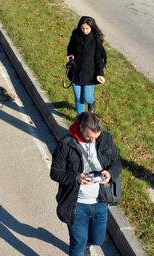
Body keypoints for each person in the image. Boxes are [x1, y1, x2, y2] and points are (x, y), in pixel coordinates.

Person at [50, 112, 122, 256]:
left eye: (95, 138)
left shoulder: (105, 138)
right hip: (77, 204)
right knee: (77, 244)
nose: (92, 140)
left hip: (100, 201)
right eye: (89, 137)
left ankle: (87, 245)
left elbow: (116, 163)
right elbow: (55, 173)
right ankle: (81, 246)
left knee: (98, 239)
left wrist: (110, 173)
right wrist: (76, 178)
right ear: (81, 127)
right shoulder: (66, 144)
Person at [66, 16, 107, 114]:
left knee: (87, 97)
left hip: (90, 73)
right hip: (76, 71)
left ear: (92, 27)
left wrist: (100, 73)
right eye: (82, 28)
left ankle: (91, 104)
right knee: (78, 97)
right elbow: (70, 47)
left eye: (87, 28)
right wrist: (70, 55)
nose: (84, 30)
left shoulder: (96, 40)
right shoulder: (75, 36)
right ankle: (81, 118)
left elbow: (99, 59)